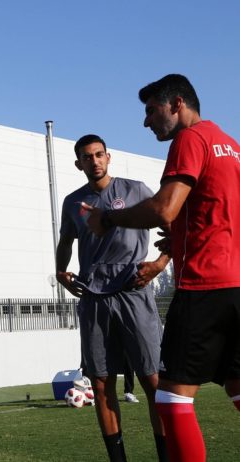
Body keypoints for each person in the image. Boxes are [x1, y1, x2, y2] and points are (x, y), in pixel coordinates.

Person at [86, 74, 240, 462]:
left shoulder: (190, 139)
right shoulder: (231, 146)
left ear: (177, 104)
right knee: (237, 387)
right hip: (236, 285)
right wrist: (184, 239)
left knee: (171, 398)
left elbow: (163, 208)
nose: (146, 121)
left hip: (205, 287)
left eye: (152, 111)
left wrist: (107, 218)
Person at [56, 134, 170, 462]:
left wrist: (159, 264)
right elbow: (65, 242)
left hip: (134, 292)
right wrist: (61, 272)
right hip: (94, 298)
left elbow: (171, 226)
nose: (94, 161)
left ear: (108, 157)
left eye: (98, 154)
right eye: (87, 157)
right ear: (78, 164)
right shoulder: (73, 202)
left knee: (153, 380)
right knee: (101, 383)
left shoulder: (136, 190)